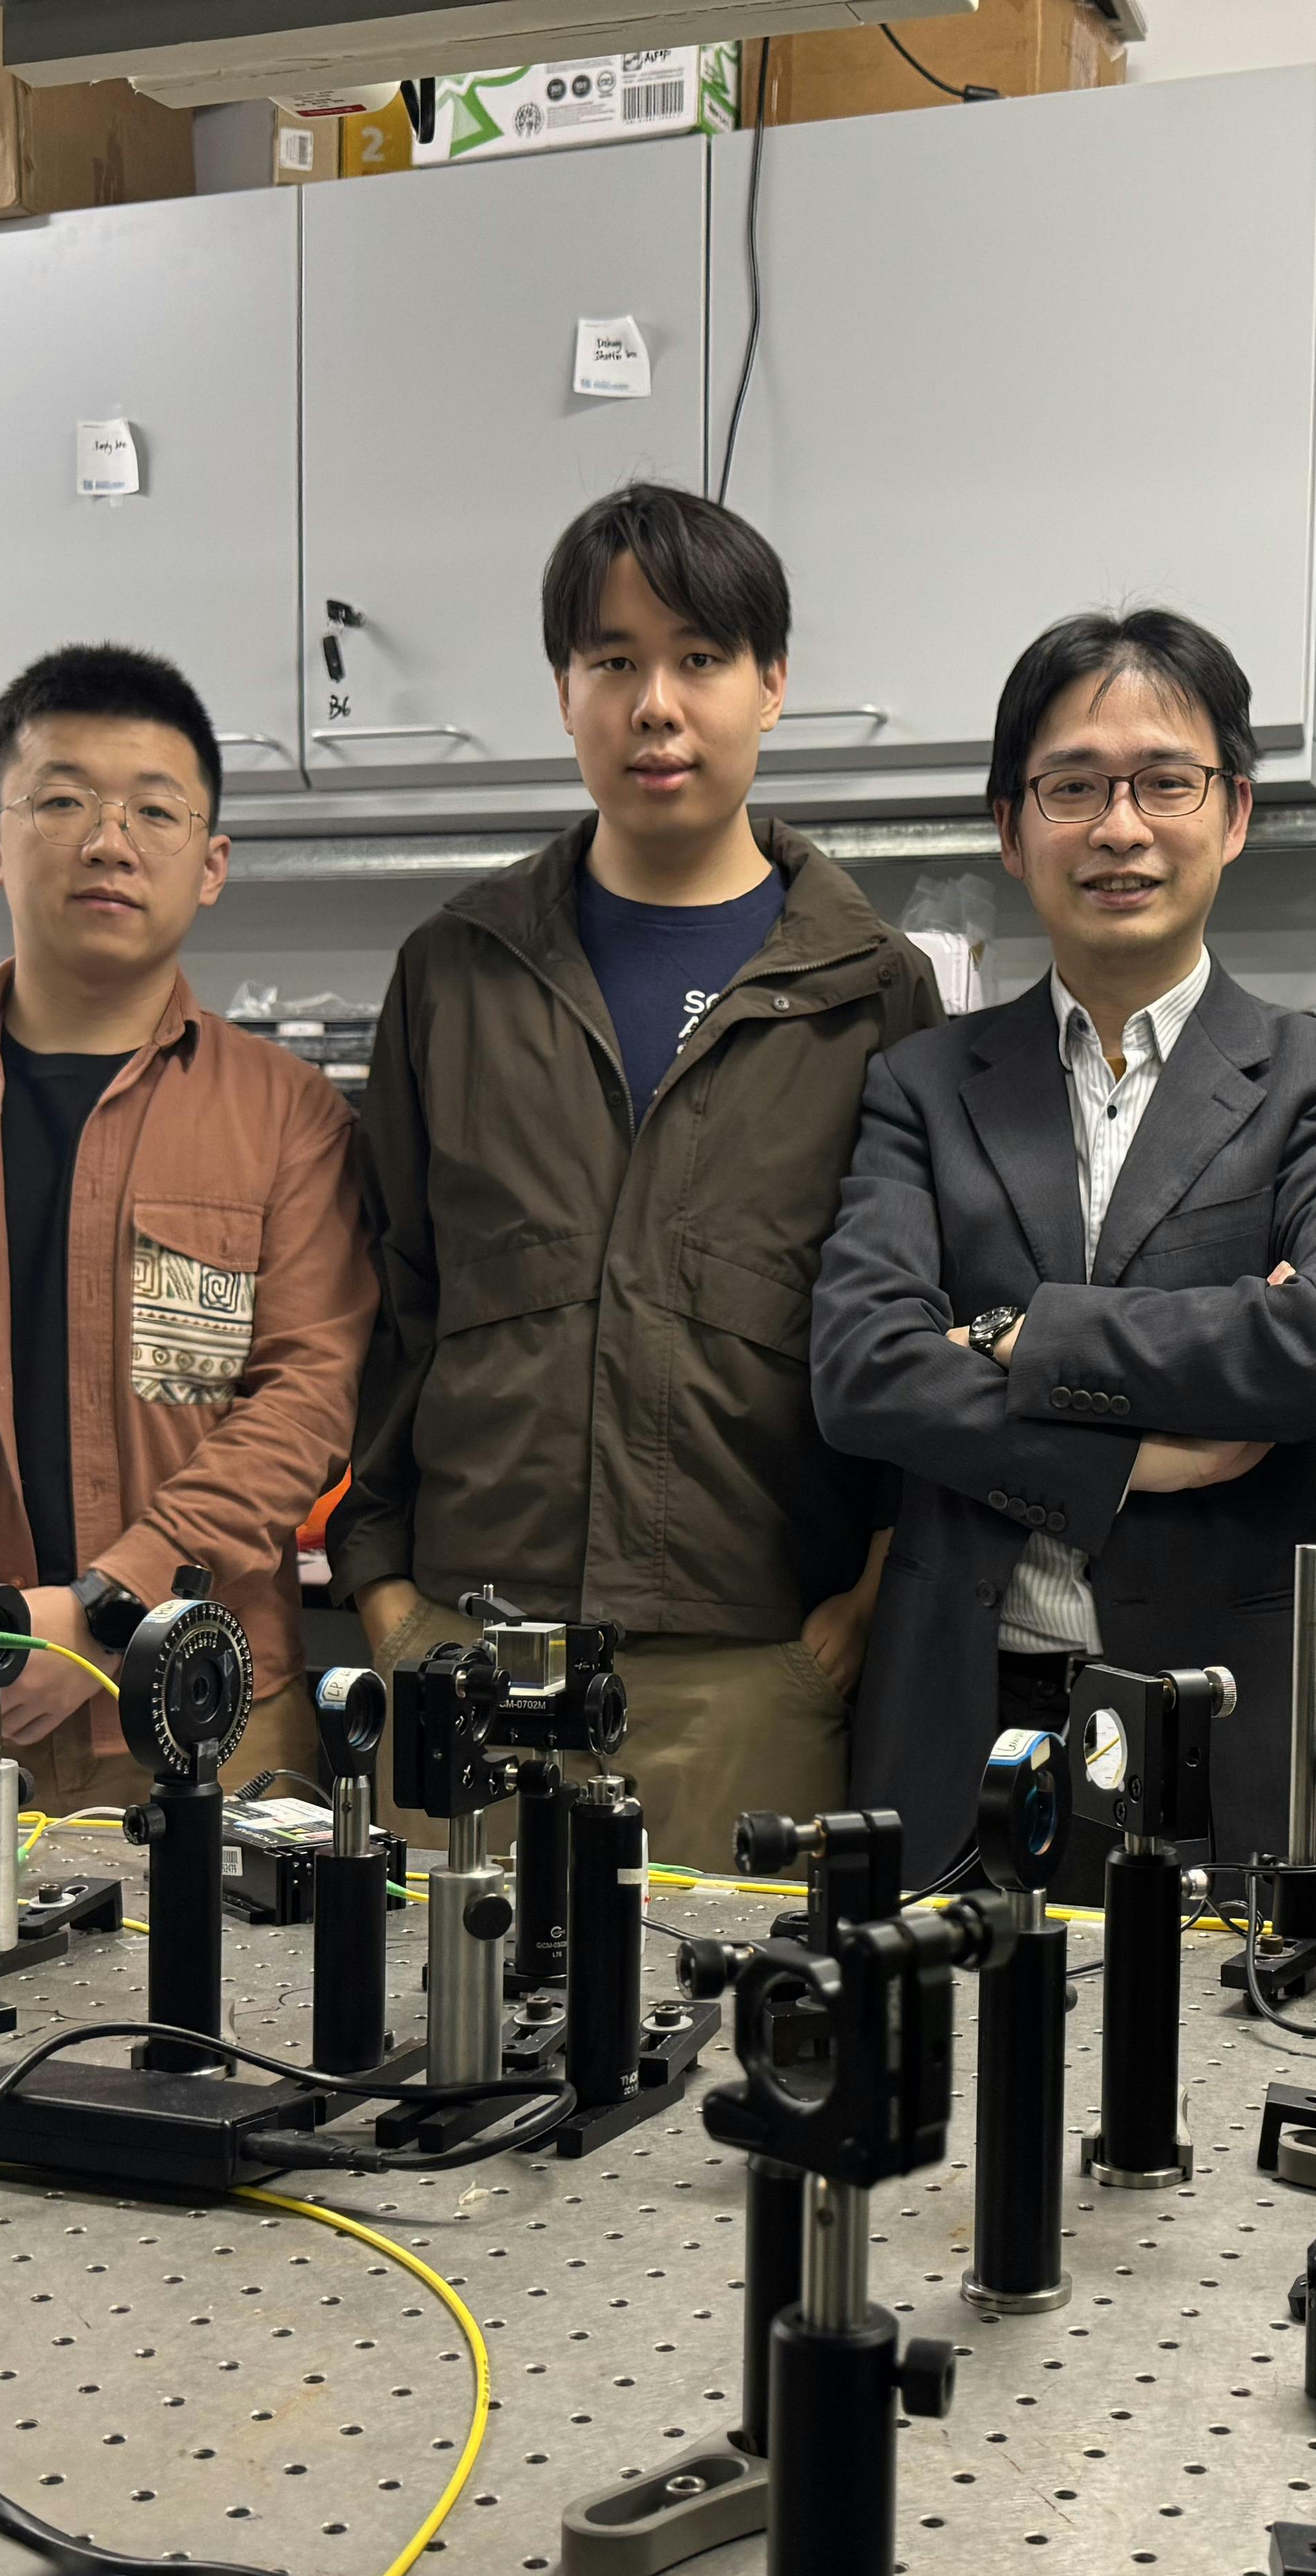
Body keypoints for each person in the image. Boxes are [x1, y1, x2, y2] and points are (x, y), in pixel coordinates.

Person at [327, 483, 943, 1874]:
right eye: (614, 661)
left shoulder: (875, 995)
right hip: (468, 1662)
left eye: (702, 659)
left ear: (773, 686)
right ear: (564, 693)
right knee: (444, 2051)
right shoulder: (456, 972)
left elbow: (918, 1337)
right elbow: (392, 1291)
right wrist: (385, 1597)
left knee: (733, 2068)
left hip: (749, 1677)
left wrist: (856, 1613)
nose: (655, 704)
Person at [814, 609, 1316, 1889]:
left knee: (1216, 2085)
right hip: (957, 1721)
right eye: (1073, 787)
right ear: (1011, 827)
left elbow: (1314, 1351)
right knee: (948, 2079)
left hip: (1230, 1728)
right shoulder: (921, 1086)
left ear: (1236, 812)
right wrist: (1140, 1456)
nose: (1120, 826)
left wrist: (1019, 1334)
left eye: (1164, 783)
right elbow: (863, 1367)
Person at [0, 642, 371, 1818]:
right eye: (63, 801)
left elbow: (307, 1396)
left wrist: (102, 1608)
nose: (109, 839)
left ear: (212, 864)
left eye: (155, 809)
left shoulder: (286, 1116)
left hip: (199, 1707)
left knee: (225, 2005)